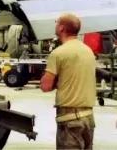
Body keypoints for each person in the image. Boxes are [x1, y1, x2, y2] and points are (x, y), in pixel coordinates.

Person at [40, 13, 96, 149]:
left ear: (61, 28)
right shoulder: (88, 51)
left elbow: (45, 86)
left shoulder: (58, 53)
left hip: (69, 120)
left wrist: (57, 80)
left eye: (56, 22)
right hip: (88, 118)